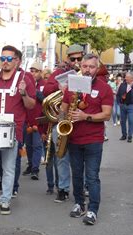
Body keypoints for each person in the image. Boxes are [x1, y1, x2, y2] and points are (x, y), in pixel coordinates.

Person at [0, 45, 36, 215]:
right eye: (2, 58)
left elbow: (31, 106)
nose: (5, 62)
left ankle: (5, 199)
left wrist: (23, 93)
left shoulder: (25, 79)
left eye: (9, 59)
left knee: (9, 167)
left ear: (17, 61)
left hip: (12, 128)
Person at [60, 53, 113, 225]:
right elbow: (63, 109)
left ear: (97, 69)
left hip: (93, 139)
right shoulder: (72, 86)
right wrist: (63, 116)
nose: (87, 70)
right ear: (80, 67)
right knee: (76, 175)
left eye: (91, 67)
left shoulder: (104, 88)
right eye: (85, 66)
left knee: (91, 176)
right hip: (74, 138)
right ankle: (79, 204)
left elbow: (106, 114)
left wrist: (85, 116)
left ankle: (92, 210)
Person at [43, 44, 85, 203]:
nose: (75, 61)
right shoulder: (58, 74)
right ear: (67, 58)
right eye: (72, 58)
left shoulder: (88, 73)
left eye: (79, 58)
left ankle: (83, 188)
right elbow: (46, 92)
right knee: (61, 157)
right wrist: (58, 87)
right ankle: (63, 188)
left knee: (83, 159)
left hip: (82, 121)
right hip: (62, 121)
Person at [23, 61, 45, 180]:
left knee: (37, 145)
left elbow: (46, 100)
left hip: (38, 120)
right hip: (27, 119)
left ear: (40, 72)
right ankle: (30, 165)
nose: (33, 73)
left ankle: (35, 169)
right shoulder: (27, 83)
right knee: (29, 146)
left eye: (35, 71)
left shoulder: (44, 84)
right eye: (31, 71)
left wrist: (38, 94)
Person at [117, 72, 133, 143]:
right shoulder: (122, 85)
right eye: (125, 77)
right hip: (123, 105)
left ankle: (130, 136)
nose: (125, 78)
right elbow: (118, 94)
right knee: (122, 121)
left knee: (131, 121)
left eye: (127, 77)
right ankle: (124, 135)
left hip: (131, 106)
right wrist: (119, 103)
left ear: (131, 78)